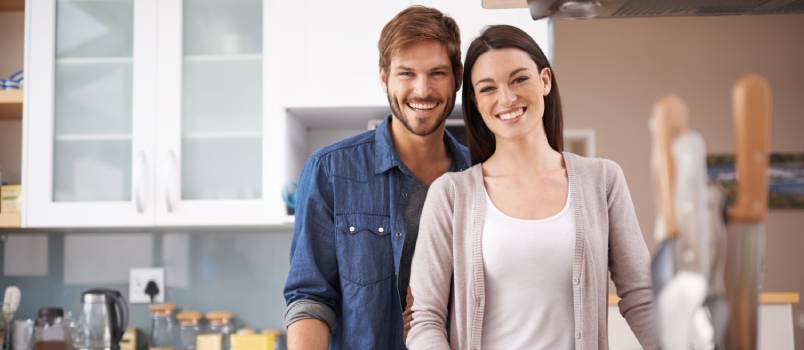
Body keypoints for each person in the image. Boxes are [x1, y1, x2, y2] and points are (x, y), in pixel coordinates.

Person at [406, 25, 657, 350]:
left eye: (519, 79)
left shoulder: (603, 180)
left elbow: (642, 297)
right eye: (488, 88)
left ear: (545, 80)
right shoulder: (451, 195)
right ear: (476, 102)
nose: (506, 98)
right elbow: (425, 319)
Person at [282, 6, 470, 350]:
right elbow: (310, 298)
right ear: (384, 77)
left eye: (437, 73)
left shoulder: (480, 177)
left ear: (457, 77)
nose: (423, 89)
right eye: (406, 73)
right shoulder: (330, 171)